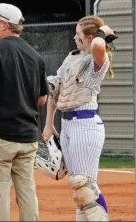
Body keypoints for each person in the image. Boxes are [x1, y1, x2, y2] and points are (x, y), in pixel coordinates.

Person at [0, 3, 49, 221]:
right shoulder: (35, 55)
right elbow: (42, 98)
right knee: (27, 191)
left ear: (5, 25)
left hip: (0, 135)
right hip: (28, 135)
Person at [42, 16, 117, 221]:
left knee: (85, 185)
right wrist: (49, 124)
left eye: (78, 35)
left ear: (90, 37)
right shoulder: (71, 58)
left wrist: (104, 31)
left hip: (86, 124)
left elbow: (100, 45)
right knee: (78, 190)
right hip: (67, 125)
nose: (75, 38)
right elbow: (54, 90)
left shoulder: (98, 61)